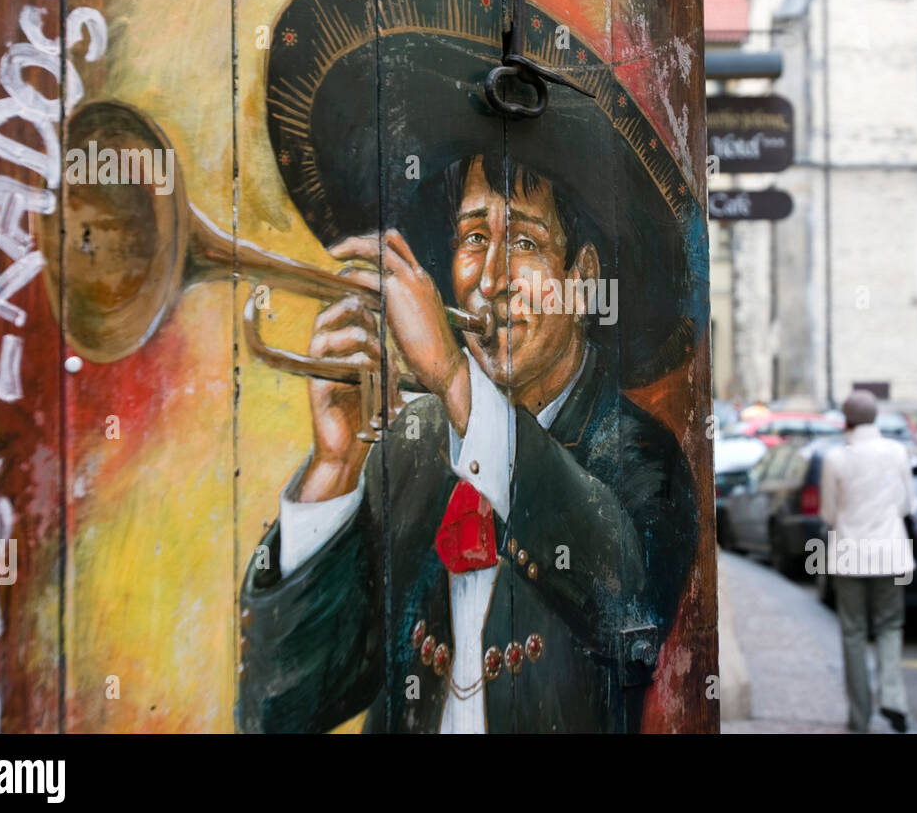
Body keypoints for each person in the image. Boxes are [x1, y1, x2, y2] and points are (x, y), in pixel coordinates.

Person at [237, 153, 697, 733]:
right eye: (475, 237)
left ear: (581, 278)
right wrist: (335, 468)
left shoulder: (644, 458)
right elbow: (278, 708)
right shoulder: (412, 442)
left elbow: (625, 611)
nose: (489, 281)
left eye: (526, 243)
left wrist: (456, 380)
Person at [819, 389, 916, 733]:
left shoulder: (835, 459)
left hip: (849, 557)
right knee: (890, 627)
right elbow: (906, 506)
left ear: (845, 421)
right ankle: (893, 698)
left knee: (853, 634)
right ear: (876, 418)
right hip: (891, 554)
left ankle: (859, 719)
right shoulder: (897, 452)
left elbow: (829, 514)